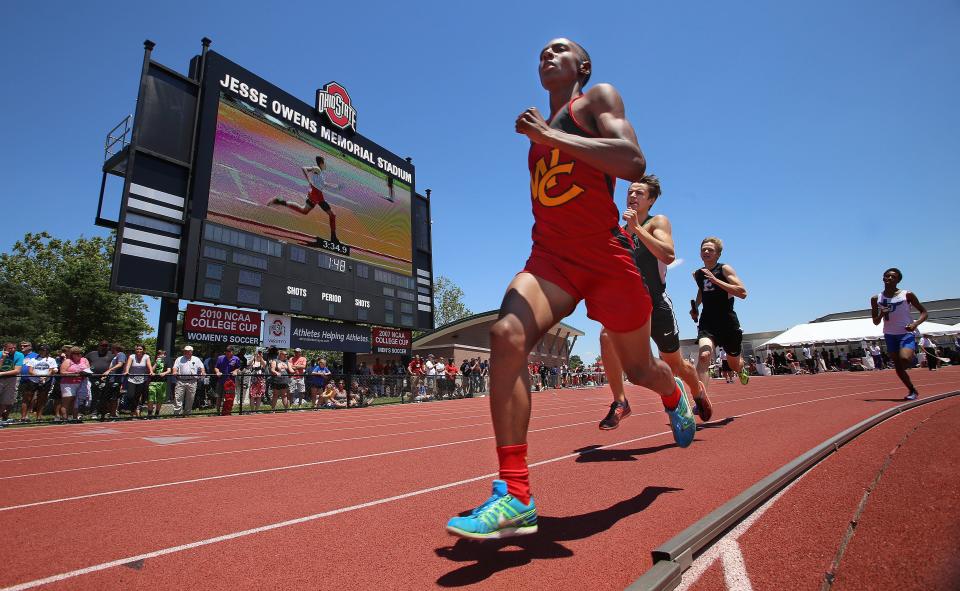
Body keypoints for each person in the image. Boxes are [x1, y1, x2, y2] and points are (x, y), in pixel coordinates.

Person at [445, 38, 693, 540]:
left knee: (642, 367)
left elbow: (631, 161)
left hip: (605, 258)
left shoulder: (597, 98)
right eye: (540, 50)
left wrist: (548, 135)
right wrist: (543, 134)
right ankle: (515, 496)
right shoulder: (539, 129)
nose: (546, 54)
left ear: (582, 65)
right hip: (551, 258)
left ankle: (673, 395)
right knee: (506, 335)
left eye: (559, 49)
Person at [599, 176, 712, 427]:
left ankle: (698, 392)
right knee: (606, 336)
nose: (632, 196)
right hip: (630, 305)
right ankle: (620, 401)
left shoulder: (655, 222)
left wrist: (637, 227)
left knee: (676, 365)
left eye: (639, 193)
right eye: (630, 191)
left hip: (657, 303)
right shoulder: (619, 231)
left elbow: (668, 255)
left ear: (650, 200)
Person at [690, 237, 750, 405]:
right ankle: (700, 399)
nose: (706, 252)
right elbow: (702, 292)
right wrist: (695, 307)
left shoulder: (724, 269)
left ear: (718, 254)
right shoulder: (698, 274)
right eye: (704, 249)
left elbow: (742, 292)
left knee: (733, 364)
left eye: (710, 250)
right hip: (708, 321)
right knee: (704, 355)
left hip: (728, 322)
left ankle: (741, 368)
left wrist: (716, 280)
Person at [870, 268, 928, 400]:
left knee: (904, 359)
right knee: (898, 366)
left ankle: (911, 356)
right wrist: (881, 314)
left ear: (898, 280)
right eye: (887, 276)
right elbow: (875, 322)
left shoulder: (907, 294)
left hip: (905, 332)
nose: (889, 278)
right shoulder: (876, 298)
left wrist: (915, 324)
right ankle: (912, 390)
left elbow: (924, 312)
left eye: (893, 277)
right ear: (883, 278)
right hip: (889, 335)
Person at [270, 155, 340, 245]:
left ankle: (280, 201)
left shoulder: (321, 173)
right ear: (321, 163)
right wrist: (309, 180)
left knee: (304, 210)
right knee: (332, 215)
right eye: (325, 163)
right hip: (317, 196)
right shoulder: (317, 169)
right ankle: (333, 238)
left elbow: (323, 184)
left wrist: (334, 186)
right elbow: (304, 168)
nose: (326, 164)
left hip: (316, 195)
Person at [22, 344, 57, 422]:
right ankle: (23, 417)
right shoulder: (33, 359)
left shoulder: (51, 360)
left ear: (47, 351)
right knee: (27, 398)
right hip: (33, 380)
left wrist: (45, 377)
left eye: (44, 350)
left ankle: (39, 417)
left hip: (46, 380)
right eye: (41, 350)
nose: (42, 352)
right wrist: (39, 376)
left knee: (42, 399)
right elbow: (30, 371)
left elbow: (51, 370)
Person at [58, 347, 89, 423]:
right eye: (76, 353)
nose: (79, 355)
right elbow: (62, 372)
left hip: (81, 383)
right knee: (67, 401)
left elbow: (88, 370)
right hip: (68, 383)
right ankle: (65, 418)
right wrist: (74, 374)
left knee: (77, 402)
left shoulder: (84, 360)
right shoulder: (68, 361)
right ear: (72, 354)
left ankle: (75, 418)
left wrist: (85, 373)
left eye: (80, 353)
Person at [172, 346, 205, 416]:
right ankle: (177, 414)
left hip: (192, 381)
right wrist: (175, 372)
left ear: (191, 352)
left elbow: (202, 367)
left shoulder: (196, 359)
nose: (185, 352)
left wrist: (203, 372)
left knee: (190, 398)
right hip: (181, 381)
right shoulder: (179, 359)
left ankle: (187, 413)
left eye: (187, 351)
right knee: (178, 397)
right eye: (185, 351)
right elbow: (175, 367)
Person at [123, 344, 153, 418]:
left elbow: (149, 365)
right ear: (135, 350)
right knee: (131, 395)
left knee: (137, 397)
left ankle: (133, 412)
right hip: (132, 379)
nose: (139, 351)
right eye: (137, 349)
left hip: (142, 379)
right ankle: (133, 410)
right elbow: (128, 365)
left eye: (140, 349)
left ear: (143, 350)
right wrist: (127, 371)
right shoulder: (132, 356)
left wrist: (151, 371)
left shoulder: (146, 357)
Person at [0, 342, 25, 424]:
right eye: (10, 348)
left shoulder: (19, 355)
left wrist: (1, 373)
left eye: (14, 348)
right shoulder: (0, 354)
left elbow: (17, 370)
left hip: (11, 379)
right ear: (5, 348)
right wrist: (3, 358)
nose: (13, 350)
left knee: (5, 401)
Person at [213, 346, 242, 413]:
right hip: (221, 381)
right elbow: (216, 367)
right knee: (219, 397)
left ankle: (227, 411)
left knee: (229, 398)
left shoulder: (236, 359)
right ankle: (217, 411)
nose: (227, 353)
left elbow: (238, 367)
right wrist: (217, 372)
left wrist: (235, 371)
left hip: (230, 382)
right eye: (226, 351)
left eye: (229, 351)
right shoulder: (220, 358)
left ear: (232, 352)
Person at [148, 350, 170, 418]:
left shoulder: (167, 361)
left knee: (159, 399)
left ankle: (157, 413)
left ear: (165, 355)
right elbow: (151, 370)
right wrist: (156, 363)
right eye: (159, 354)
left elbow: (169, 370)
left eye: (162, 354)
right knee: (151, 398)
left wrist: (164, 373)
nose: (160, 355)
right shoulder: (155, 361)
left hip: (162, 382)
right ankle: (149, 414)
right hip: (153, 381)